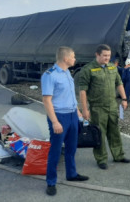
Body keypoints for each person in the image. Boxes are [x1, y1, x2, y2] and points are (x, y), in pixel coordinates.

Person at [41, 46, 89, 196]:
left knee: (71, 147)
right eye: (73, 57)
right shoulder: (50, 75)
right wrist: (55, 122)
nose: (75, 59)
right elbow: (47, 101)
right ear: (66, 58)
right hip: (59, 117)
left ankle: (71, 174)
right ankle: (51, 182)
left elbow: (69, 95)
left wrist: (77, 110)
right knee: (55, 150)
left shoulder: (68, 72)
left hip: (72, 115)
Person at [79, 44, 130, 170]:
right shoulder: (88, 69)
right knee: (99, 134)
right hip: (97, 107)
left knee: (114, 132)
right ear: (97, 55)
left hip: (112, 106)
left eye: (109, 55)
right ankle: (101, 159)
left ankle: (118, 155)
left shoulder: (112, 67)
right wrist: (84, 109)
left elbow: (119, 83)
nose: (107, 58)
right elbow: (83, 91)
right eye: (104, 56)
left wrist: (124, 99)